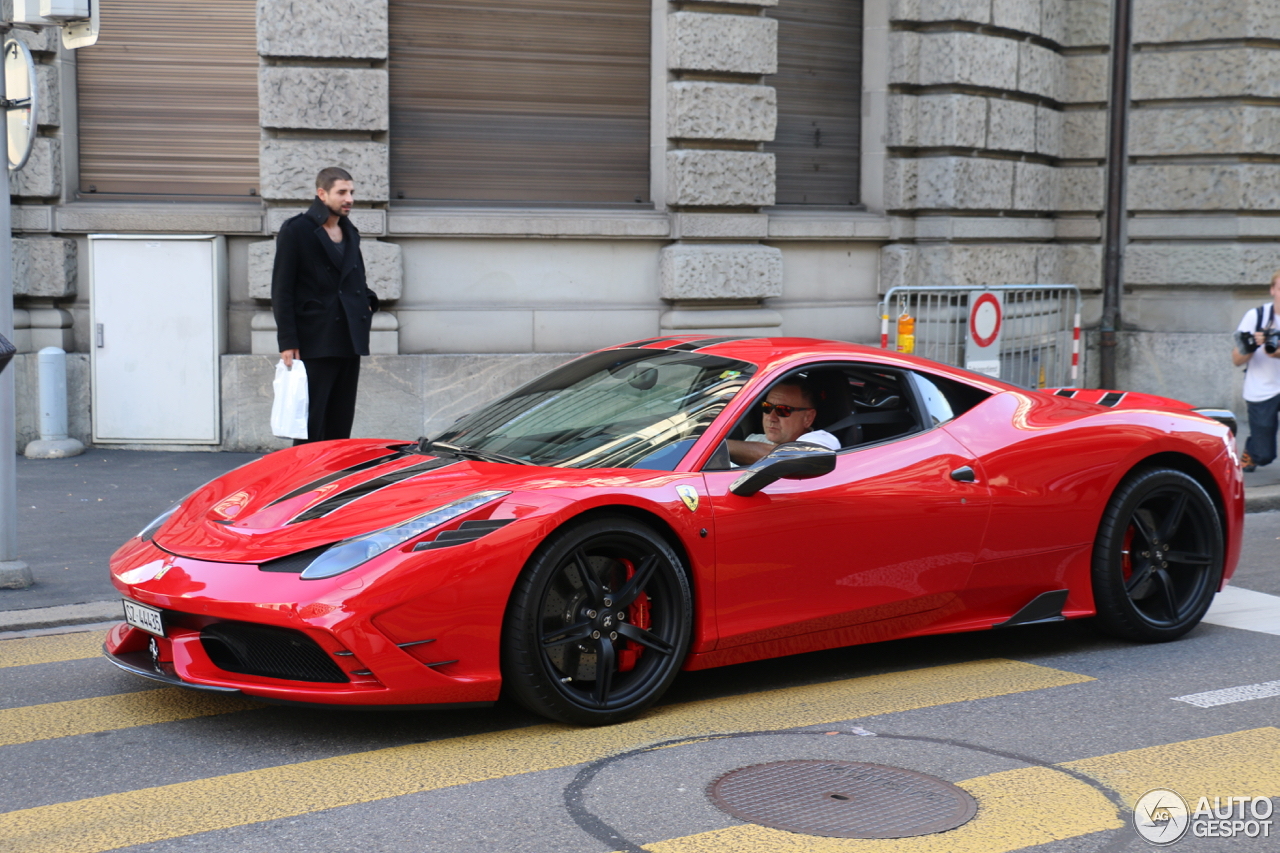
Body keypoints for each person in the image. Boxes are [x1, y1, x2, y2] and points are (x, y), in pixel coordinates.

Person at [272, 167, 379, 444]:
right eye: (342, 192)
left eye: (351, 192)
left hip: (349, 338)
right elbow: (282, 289)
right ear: (322, 194)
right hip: (315, 339)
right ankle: (306, 480)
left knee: (341, 421)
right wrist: (287, 340)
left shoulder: (349, 231)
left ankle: (333, 478)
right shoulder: (297, 230)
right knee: (311, 423)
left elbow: (358, 278)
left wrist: (368, 303)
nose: (349, 198)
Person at [1232, 271, 1280, 472]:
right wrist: (1252, 345)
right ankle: (1252, 452)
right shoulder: (1256, 316)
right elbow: (1236, 359)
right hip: (1261, 389)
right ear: (1272, 290)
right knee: (1264, 455)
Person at [728, 380, 840, 466]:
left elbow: (785, 457)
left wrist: (725, 446)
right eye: (767, 407)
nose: (771, 417)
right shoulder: (753, 441)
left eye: (783, 410)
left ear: (808, 418)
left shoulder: (824, 442)